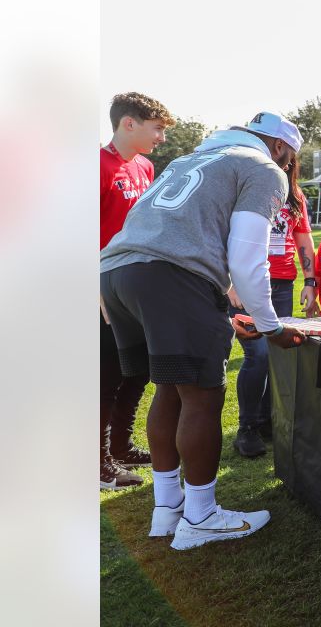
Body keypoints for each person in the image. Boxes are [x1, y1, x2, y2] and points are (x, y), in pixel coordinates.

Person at [100, 110, 308, 550]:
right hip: (169, 275)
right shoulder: (262, 167)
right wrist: (272, 328)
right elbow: (249, 258)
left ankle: (167, 509)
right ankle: (200, 516)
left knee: (170, 389)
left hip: (119, 271)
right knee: (203, 394)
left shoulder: (187, 161)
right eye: (290, 160)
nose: (288, 168)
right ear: (279, 148)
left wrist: (224, 304)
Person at [100, 91, 173, 490]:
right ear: (129, 123)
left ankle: (121, 446)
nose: (161, 137)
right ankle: (96, 464)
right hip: (101, 290)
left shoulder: (144, 166)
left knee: (136, 372)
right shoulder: (95, 165)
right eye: (157, 128)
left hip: (134, 287)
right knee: (104, 376)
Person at [227, 151, 318, 459]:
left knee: (277, 354)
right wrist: (230, 282)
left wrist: (310, 281)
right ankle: (247, 428)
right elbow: (221, 234)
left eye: (287, 161)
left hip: (281, 285)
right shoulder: (244, 187)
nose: (282, 165)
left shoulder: (296, 197)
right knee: (257, 355)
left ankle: (267, 420)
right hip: (246, 284)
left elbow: (304, 239)